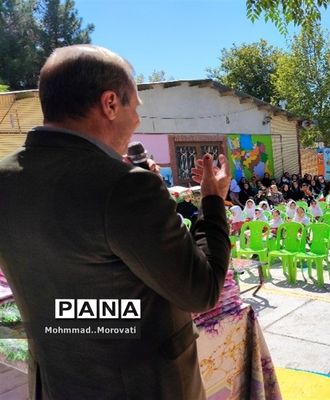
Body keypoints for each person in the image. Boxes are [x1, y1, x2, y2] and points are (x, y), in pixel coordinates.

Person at [0, 45, 231, 399]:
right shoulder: (125, 186)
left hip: (56, 384)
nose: (137, 120)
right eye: (135, 107)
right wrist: (213, 200)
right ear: (110, 103)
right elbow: (201, 291)